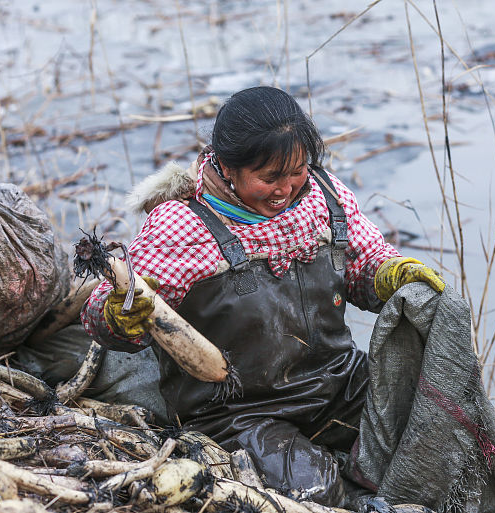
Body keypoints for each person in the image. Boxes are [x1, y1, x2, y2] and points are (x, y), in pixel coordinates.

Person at [81, 86, 445, 507]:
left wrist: (389, 275)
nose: (285, 188)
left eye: (296, 170)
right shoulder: (181, 226)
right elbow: (102, 314)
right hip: (237, 413)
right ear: (228, 167)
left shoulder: (324, 197)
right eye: (269, 177)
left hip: (337, 383)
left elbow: (365, 261)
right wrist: (119, 316)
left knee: (427, 432)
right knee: (318, 492)